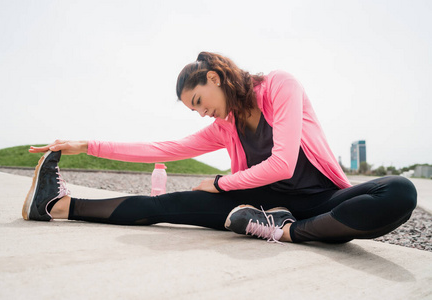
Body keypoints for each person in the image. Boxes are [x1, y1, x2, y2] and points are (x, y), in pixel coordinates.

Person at [24, 51, 417, 244]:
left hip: (323, 198)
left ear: (214, 77)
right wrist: (86, 145)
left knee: (399, 190)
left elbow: (283, 164)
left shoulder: (279, 86)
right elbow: (162, 147)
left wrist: (220, 182)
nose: (200, 113)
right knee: (166, 207)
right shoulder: (222, 127)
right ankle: (56, 206)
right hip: (257, 204)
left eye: (198, 101)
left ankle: (288, 232)